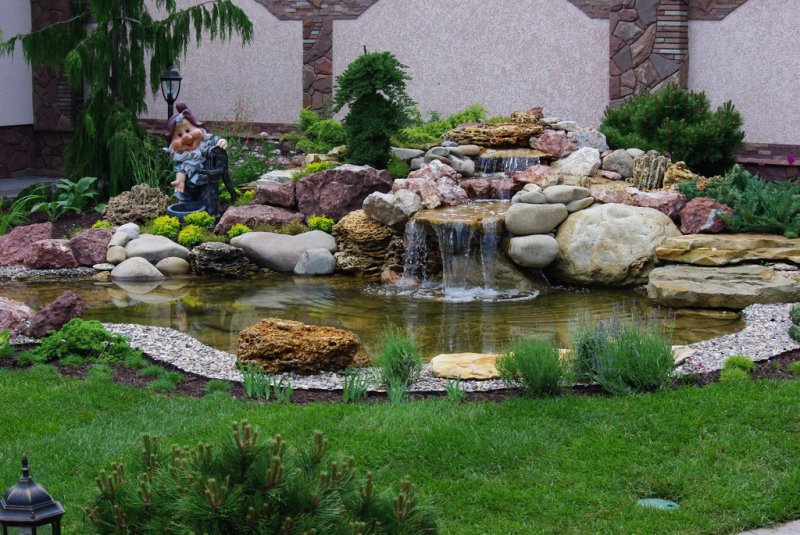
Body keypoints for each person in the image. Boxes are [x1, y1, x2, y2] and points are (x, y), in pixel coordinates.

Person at [165, 102, 228, 203]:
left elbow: (214, 141)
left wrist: (221, 141)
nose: (186, 137)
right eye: (179, 135)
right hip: (189, 192)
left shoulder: (205, 144)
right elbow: (181, 169)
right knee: (186, 201)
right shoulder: (182, 157)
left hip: (207, 189)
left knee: (207, 201)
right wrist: (180, 180)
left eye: (187, 130)